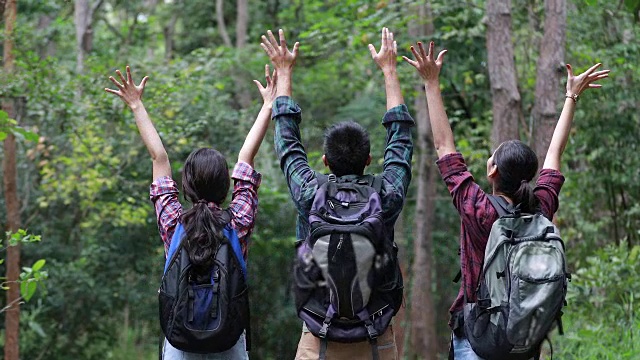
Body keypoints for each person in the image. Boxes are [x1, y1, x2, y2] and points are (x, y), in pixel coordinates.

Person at [403, 41, 609, 359]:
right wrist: (572, 96)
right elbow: (555, 154)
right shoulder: (541, 208)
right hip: (526, 339)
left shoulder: (479, 210)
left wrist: (431, 81)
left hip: (478, 338)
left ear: (492, 170)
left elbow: (444, 146)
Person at [105, 64, 278, 359]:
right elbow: (246, 157)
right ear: (227, 185)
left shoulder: (173, 222)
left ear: (186, 185)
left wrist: (136, 105)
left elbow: (158, 157)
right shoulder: (237, 221)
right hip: (229, 343)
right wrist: (269, 105)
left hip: (180, 343)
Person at [261, 28, 414, 360]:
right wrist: (390, 70)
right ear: (369, 161)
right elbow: (400, 143)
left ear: (326, 161)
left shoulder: (310, 193)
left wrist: (284, 73)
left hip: (318, 335)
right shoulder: (384, 195)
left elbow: (288, 145)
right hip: (377, 336)